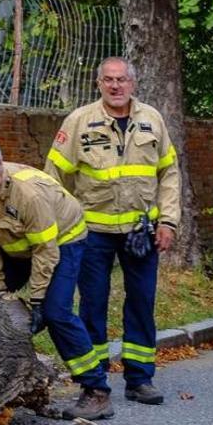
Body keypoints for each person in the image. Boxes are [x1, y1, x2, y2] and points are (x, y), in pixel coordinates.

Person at [44, 56, 181, 405]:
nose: (116, 86)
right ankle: (95, 380)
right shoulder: (79, 122)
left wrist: (167, 221)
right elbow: (53, 177)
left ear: (133, 83)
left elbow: (169, 174)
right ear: (99, 84)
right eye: (108, 80)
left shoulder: (152, 120)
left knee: (141, 302)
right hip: (91, 232)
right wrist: (61, 226)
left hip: (141, 231)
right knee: (93, 303)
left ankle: (139, 379)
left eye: (122, 80)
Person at [0, 138, 114, 420]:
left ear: (0, 166)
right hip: (17, 245)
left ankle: (97, 390)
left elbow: (45, 250)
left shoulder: (28, 195)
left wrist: (38, 299)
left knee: (56, 313)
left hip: (62, 241)